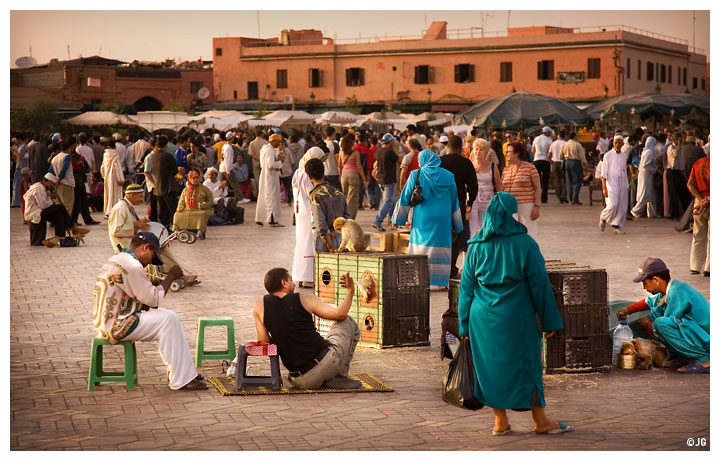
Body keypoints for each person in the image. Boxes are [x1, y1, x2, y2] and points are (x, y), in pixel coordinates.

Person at [458, 192, 570, 435]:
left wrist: (464, 326)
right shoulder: (525, 243)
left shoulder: (476, 245)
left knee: (491, 369)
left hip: (482, 320)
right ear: (512, 215)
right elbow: (540, 285)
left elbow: (466, 290)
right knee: (528, 365)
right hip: (517, 318)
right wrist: (550, 320)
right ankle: (540, 421)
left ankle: (500, 421)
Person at [93, 232, 207, 390]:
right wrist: (171, 276)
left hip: (106, 321)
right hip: (116, 325)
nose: (150, 264)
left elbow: (140, 298)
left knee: (167, 318)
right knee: (168, 319)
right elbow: (154, 300)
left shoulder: (117, 259)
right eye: (152, 257)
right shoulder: (132, 266)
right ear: (146, 248)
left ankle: (183, 372)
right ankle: (182, 377)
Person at [252, 267, 361, 389]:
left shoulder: (259, 305)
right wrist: (351, 290)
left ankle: (328, 377)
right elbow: (340, 314)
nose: (294, 284)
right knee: (347, 321)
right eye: (291, 280)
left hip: (299, 381)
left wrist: (281, 334)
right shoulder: (304, 298)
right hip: (326, 364)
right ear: (284, 283)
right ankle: (339, 375)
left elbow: (264, 342)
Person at [616, 258, 709, 374]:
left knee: (660, 323)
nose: (644, 288)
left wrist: (648, 325)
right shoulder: (667, 291)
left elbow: (667, 323)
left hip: (706, 338)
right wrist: (627, 309)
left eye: (645, 283)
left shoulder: (678, 291)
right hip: (697, 334)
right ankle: (687, 357)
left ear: (656, 280)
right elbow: (649, 301)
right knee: (658, 313)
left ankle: (706, 359)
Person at [392, 150, 463, 288]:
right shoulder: (449, 177)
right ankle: (441, 283)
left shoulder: (416, 174)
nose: (418, 163)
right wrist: (458, 225)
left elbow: (405, 198)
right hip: (443, 220)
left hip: (422, 218)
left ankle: (420, 280)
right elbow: (454, 202)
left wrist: (398, 220)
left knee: (421, 249)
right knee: (441, 249)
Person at [441, 135, 478, 278]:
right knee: (457, 236)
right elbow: (473, 186)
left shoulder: (440, 161)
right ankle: (451, 268)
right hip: (459, 203)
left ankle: (440, 267)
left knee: (442, 235)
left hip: (441, 203)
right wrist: (471, 202)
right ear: (461, 146)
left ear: (447, 147)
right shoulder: (466, 163)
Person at [292, 147, 327, 288]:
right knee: (309, 244)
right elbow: (312, 195)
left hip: (300, 213)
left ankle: (299, 276)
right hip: (308, 213)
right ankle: (308, 278)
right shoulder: (308, 175)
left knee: (301, 244)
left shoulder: (297, 172)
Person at [24, 173, 89, 246]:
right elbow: (43, 205)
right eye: (53, 184)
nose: (53, 186)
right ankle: (72, 227)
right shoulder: (38, 189)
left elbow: (49, 203)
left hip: (40, 210)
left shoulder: (45, 189)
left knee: (59, 215)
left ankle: (60, 238)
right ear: (48, 182)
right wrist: (51, 197)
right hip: (35, 212)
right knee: (60, 207)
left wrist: (50, 198)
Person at [306, 158, 350, 252]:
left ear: (309, 176)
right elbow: (347, 217)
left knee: (324, 266)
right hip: (339, 237)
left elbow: (321, 224)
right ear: (323, 173)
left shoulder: (315, 195)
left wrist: (330, 246)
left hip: (324, 241)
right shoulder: (338, 192)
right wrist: (336, 232)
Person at [501, 141, 541, 242]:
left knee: (530, 234)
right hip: (510, 208)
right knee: (512, 236)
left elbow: (537, 188)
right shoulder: (506, 170)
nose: (506, 154)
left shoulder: (530, 167)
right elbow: (502, 188)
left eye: (508, 152)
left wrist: (537, 206)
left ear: (517, 153)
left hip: (526, 206)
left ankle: (531, 256)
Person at [468, 139, 502, 238]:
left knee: (486, 229)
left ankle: (486, 251)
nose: (478, 151)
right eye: (476, 149)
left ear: (486, 152)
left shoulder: (492, 165)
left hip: (488, 201)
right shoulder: (469, 165)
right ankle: (470, 252)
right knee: (471, 231)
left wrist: (500, 200)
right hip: (473, 201)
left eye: (481, 149)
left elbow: (498, 183)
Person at [371, 133, 402, 232]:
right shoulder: (389, 152)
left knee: (391, 201)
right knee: (388, 202)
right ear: (391, 142)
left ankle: (393, 222)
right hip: (389, 180)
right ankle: (377, 221)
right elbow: (400, 161)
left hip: (381, 180)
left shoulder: (379, 152)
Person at [599, 135, 629, 234]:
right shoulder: (607, 155)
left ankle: (617, 225)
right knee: (613, 204)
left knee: (622, 205)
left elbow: (624, 171)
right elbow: (604, 173)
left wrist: (626, 184)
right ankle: (603, 217)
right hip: (611, 183)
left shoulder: (624, 156)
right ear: (613, 143)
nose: (617, 145)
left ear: (622, 144)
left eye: (619, 143)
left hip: (622, 184)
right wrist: (604, 187)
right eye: (616, 143)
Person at [173, 171, 214, 240]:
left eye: (197, 178)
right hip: (186, 209)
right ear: (189, 179)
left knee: (202, 214)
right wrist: (180, 208)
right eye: (193, 178)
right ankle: (176, 232)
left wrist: (204, 206)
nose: (196, 179)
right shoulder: (185, 190)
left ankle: (200, 232)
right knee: (177, 214)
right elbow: (181, 201)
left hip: (200, 209)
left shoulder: (204, 189)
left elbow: (210, 200)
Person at [255, 133, 285, 227]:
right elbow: (271, 164)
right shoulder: (270, 150)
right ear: (273, 141)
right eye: (278, 142)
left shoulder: (265, 149)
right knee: (272, 198)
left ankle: (260, 218)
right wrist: (280, 162)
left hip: (265, 176)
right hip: (270, 177)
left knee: (265, 197)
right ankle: (273, 220)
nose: (279, 144)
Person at [687, 155, 710, 276]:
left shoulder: (698, 163)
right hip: (709, 200)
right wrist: (707, 200)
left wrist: (700, 199)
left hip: (699, 201)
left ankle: (695, 266)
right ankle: (709, 267)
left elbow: (690, 184)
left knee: (698, 234)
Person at [152, 135, 179, 229]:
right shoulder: (167, 156)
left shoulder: (153, 156)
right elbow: (176, 170)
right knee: (173, 209)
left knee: (162, 211)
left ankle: (164, 230)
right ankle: (176, 227)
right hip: (168, 186)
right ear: (166, 145)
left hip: (158, 187)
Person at [338, 133, 366, 220]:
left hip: (344, 175)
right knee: (353, 198)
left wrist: (340, 175)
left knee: (345, 196)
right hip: (353, 175)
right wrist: (363, 178)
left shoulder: (341, 152)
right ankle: (350, 218)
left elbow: (340, 165)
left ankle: (343, 215)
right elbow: (359, 167)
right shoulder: (355, 153)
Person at [630, 136, 659, 218]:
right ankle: (635, 211)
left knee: (651, 194)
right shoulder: (649, 152)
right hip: (646, 175)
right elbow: (645, 165)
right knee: (645, 193)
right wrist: (654, 170)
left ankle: (652, 213)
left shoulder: (647, 151)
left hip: (647, 174)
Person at [560, 132, 589, 206]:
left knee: (568, 181)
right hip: (575, 162)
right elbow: (582, 157)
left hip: (567, 162)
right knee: (577, 180)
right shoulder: (577, 145)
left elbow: (560, 156)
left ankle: (570, 199)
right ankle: (575, 198)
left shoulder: (565, 144)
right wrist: (585, 165)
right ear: (574, 137)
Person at [48, 141, 75, 216]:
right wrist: (60, 178)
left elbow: (50, 171)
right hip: (66, 183)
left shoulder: (54, 159)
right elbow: (64, 168)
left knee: (59, 205)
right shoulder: (66, 156)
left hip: (57, 184)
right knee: (67, 205)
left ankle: (59, 223)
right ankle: (66, 223)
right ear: (68, 149)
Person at [100, 138, 125, 218]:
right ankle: (114, 211)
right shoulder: (116, 155)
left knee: (108, 194)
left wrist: (104, 176)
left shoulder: (105, 155)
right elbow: (118, 168)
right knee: (115, 195)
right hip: (115, 179)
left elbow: (102, 167)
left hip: (107, 178)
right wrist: (121, 179)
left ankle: (107, 211)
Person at [532, 127, 553, 203]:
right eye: (550, 132)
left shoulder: (536, 139)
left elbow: (533, 150)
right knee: (545, 180)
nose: (551, 134)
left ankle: (536, 197)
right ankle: (544, 198)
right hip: (545, 160)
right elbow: (550, 151)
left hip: (536, 160)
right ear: (547, 132)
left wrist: (535, 157)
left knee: (536, 180)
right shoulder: (549, 140)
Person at [548, 129, 567, 204]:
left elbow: (549, 154)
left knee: (557, 180)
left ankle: (559, 196)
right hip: (563, 163)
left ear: (558, 136)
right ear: (564, 136)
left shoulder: (553, 143)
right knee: (565, 180)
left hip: (555, 162)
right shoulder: (565, 143)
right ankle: (564, 195)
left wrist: (551, 161)